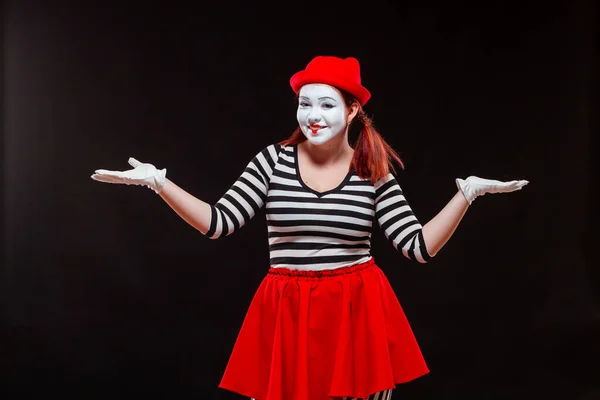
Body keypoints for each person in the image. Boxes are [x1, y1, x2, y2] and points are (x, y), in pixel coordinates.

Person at [91, 56, 528, 400]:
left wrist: (467, 194)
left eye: (326, 104)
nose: (312, 115)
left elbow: (417, 247)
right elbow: (219, 223)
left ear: (353, 110)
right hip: (285, 311)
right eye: (305, 103)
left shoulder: (371, 171)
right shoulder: (271, 161)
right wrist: (158, 183)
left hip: (356, 314)